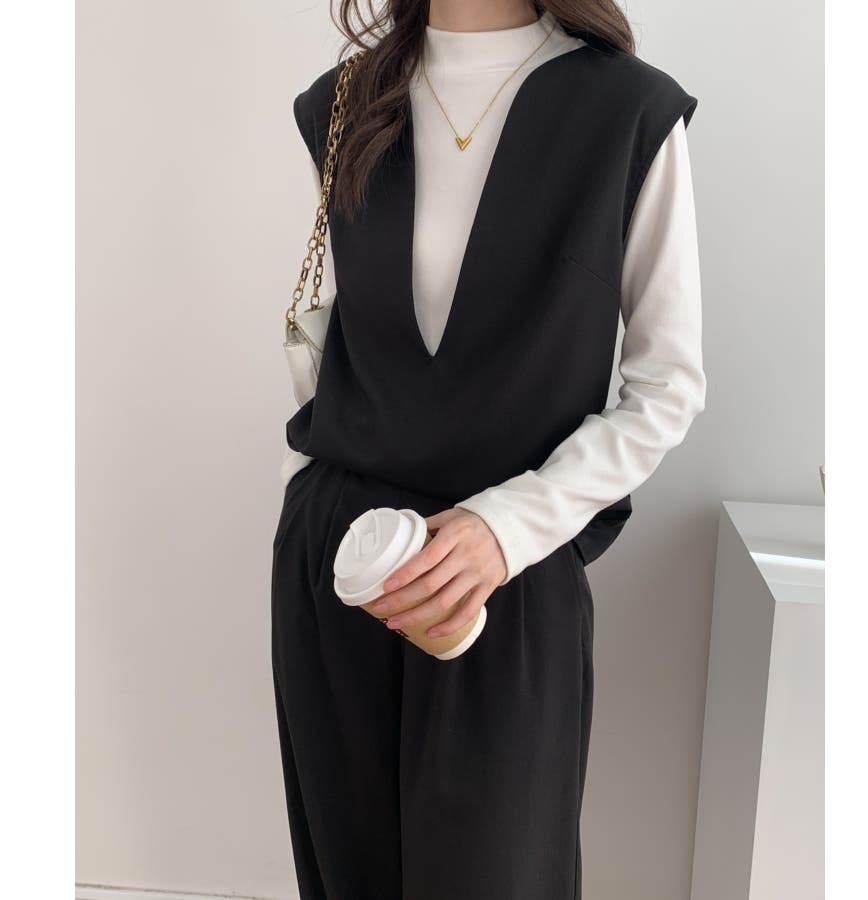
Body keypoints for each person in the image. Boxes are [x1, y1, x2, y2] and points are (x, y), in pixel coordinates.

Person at [271, 2, 707, 897]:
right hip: (342, 566)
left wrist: (506, 529)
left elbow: (668, 386)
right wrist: (311, 502)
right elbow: (340, 341)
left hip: (506, 580)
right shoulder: (346, 100)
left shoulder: (627, 111)